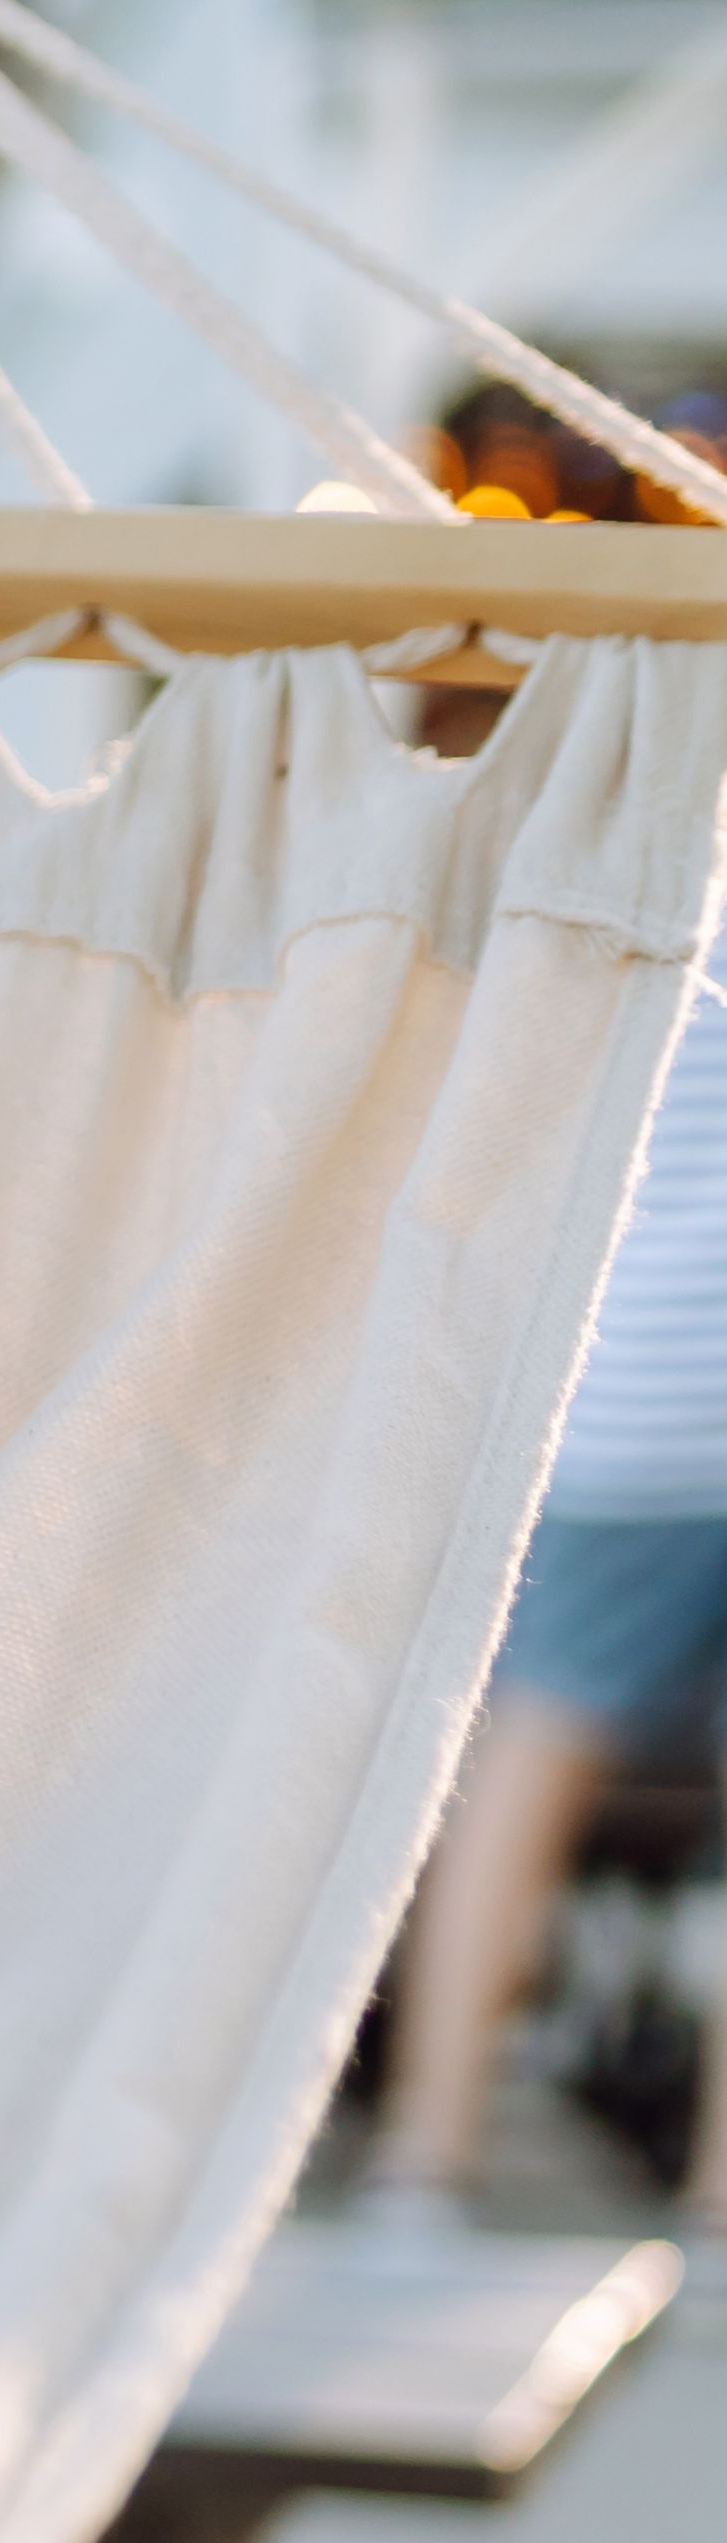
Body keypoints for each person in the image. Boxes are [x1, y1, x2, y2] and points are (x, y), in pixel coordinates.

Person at [366, 954, 727, 2242]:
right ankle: (719, 2205)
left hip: (618, 1412)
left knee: (521, 1770)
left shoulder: (637, 914)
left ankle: (425, 2158)